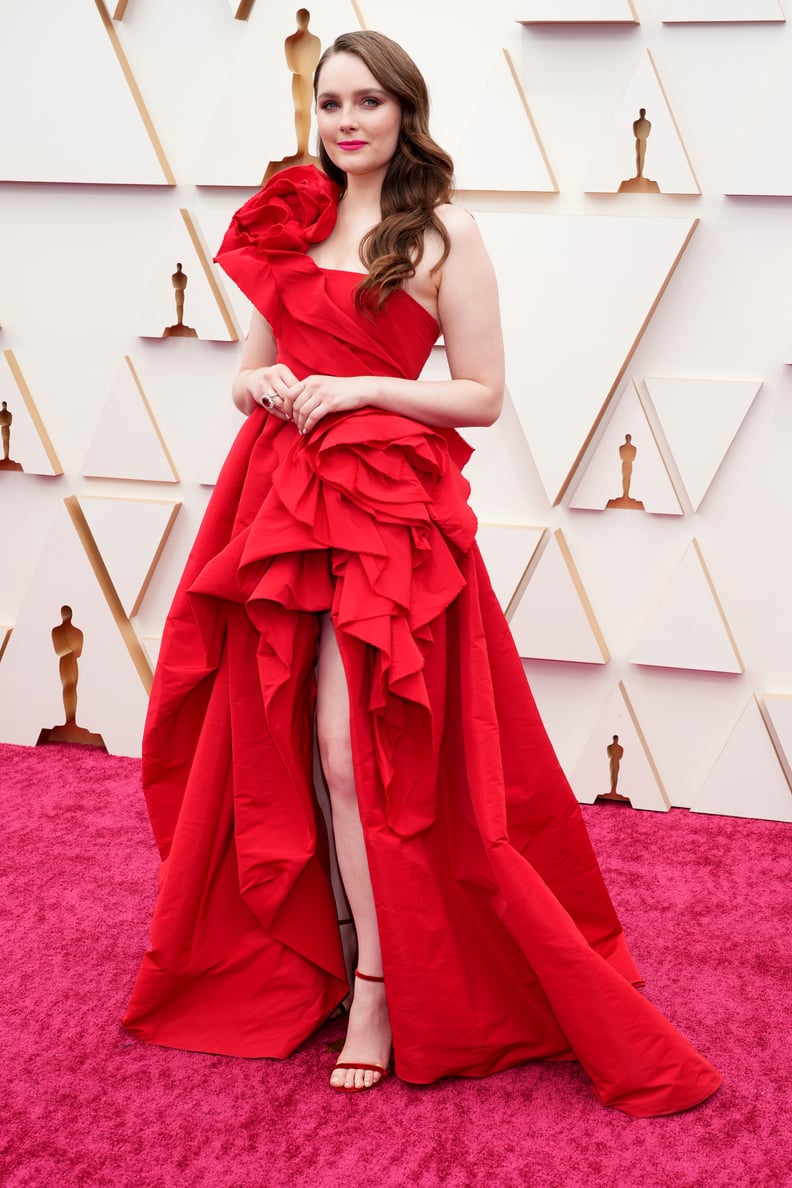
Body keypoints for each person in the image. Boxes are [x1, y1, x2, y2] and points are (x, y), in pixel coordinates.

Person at [123, 30, 721, 1116]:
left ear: (406, 110)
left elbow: (483, 394)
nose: (346, 120)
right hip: (280, 499)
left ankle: (378, 987)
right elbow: (245, 375)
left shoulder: (445, 232)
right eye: (330, 102)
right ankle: (320, 948)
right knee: (279, 734)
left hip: (389, 513)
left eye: (367, 101)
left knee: (362, 754)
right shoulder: (289, 217)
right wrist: (277, 391)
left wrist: (360, 392)